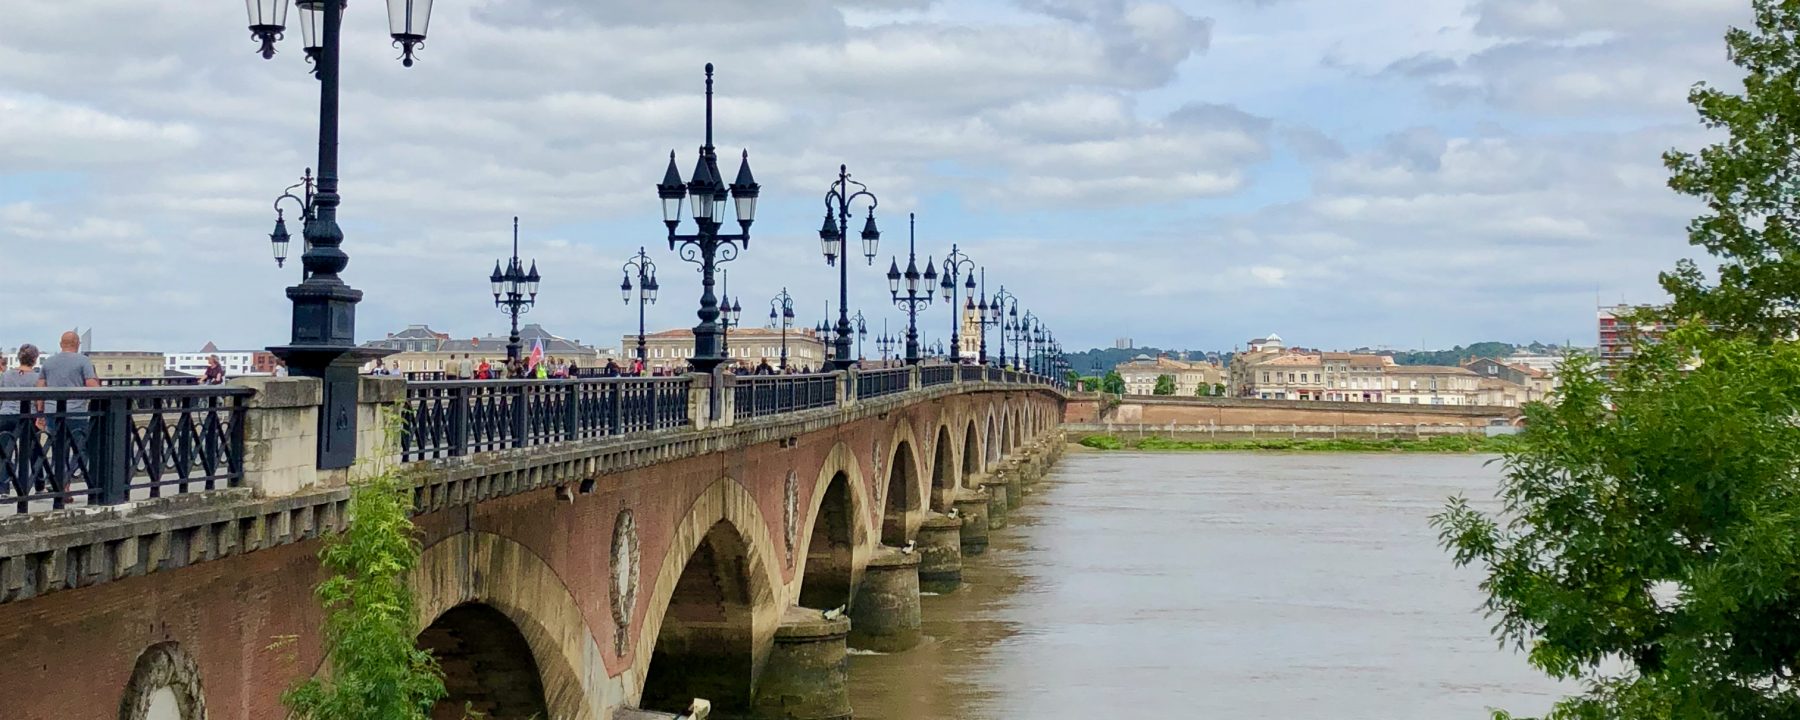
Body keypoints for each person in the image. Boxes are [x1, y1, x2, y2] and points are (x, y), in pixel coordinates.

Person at [38, 331, 99, 481]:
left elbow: (40, 388)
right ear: (77, 344)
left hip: (52, 411)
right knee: (81, 450)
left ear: (61, 344)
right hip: (76, 412)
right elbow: (91, 384)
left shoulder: (49, 362)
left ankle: (56, 481)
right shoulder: (83, 361)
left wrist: (40, 412)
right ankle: (64, 479)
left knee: (58, 449)